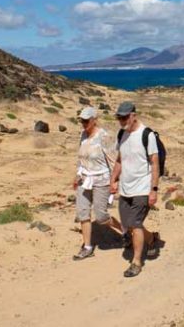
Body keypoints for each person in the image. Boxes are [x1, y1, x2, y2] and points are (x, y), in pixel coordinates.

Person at [110, 101, 160, 278]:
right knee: (128, 224)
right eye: (119, 118)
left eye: (124, 117)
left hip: (142, 188)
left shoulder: (147, 134)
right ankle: (152, 239)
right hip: (125, 188)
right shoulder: (121, 134)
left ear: (133, 115)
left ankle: (136, 262)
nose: (121, 121)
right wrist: (113, 180)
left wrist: (153, 189)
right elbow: (119, 159)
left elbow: (155, 163)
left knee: (135, 224)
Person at [72, 107, 123, 260]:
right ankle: (87, 247)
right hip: (84, 180)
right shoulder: (82, 135)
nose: (83, 123)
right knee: (83, 213)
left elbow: (114, 160)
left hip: (101, 180)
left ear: (95, 120)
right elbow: (81, 157)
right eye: (82, 120)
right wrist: (77, 174)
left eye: (86, 120)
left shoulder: (104, 136)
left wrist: (115, 181)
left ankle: (125, 231)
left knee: (101, 216)